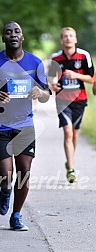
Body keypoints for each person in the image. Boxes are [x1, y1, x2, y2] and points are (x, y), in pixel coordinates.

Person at [0, 21, 51, 231]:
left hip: (24, 124)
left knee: (25, 171)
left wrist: (40, 93)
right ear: (3, 38)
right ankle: (5, 189)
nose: (13, 35)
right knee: (5, 175)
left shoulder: (34, 62)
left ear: (22, 37)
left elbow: (47, 94)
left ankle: (16, 215)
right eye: (8, 32)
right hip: (0, 125)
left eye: (17, 31)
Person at [50, 27, 94, 183]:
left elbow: (91, 79)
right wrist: (53, 86)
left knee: (75, 134)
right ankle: (71, 169)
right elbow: (51, 79)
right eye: (65, 36)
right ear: (61, 40)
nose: (68, 38)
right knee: (67, 133)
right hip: (62, 100)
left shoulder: (84, 56)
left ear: (75, 39)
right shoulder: (55, 58)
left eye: (71, 36)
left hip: (79, 100)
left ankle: (69, 161)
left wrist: (76, 75)